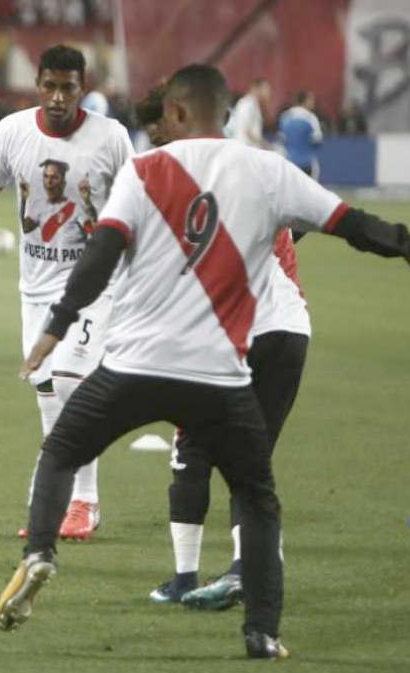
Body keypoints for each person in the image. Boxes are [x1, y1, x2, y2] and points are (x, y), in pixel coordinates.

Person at [0, 63, 410, 659]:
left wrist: (57, 326)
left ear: (173, 112)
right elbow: (349, 224)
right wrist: (408, 244)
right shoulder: (270, 172)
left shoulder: (144, 170)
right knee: (256, 494)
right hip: (218, 377)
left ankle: (40, 551)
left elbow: (102, 250)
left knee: (62, 450)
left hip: (134, 366)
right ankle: (262, 633)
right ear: (226, 113)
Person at [0, 44, 134, 540]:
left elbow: (138, 203)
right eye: (50, 86)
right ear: (38, 85)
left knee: (70, 383)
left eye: (69, 87)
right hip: (36, 286)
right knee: (46, 391)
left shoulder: (110, 138)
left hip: (96, 282)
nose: (58, 96)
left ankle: (84, 502)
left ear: (82, 88)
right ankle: (55, 496)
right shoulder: (12, 132)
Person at [138, 91, 314, 610]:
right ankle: (246, 575)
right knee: (249, 462)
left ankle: (193, 577)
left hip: (235, 333)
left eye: (159, 133)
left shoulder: (177, 181)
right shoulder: (249, 166)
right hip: (285, 328)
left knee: (195, 450)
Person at [278, 90, 323, 177]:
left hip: (289, 162)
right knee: (310, 188)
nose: (313, 102)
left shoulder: (285, 116)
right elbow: (317, 140)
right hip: (306, 163)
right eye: (311, 100)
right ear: (306, 101)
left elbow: (282, 139)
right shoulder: (311, 117)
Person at [227, 78, 272, 149]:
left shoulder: (252, 104)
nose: (268, 93)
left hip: (248, 148)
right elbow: (247, 130)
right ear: (256, 89)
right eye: (265, 89)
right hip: (246, 147)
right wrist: (265, 144)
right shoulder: (248, 104)